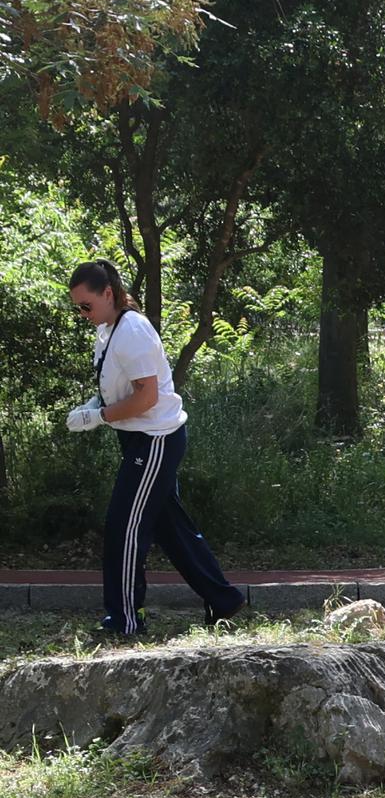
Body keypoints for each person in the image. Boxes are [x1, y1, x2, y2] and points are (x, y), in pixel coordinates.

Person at [63, 259, 244, 634]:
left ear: (108, 294)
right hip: (138, 437)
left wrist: (101, 417)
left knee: (124, 526)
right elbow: (122, 387)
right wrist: (95, 406)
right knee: (171, 529)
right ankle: (223, 600)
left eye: (86, 305)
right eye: (77, 307)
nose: (82, 314)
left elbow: (146, 397)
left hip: (155, 439)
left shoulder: (132, 330)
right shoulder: (108, 328)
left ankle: (125, 618)